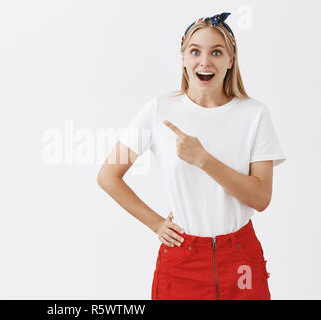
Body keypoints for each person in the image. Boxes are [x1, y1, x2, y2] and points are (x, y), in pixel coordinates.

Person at [96, 12, 286, 300]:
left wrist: (203, 159)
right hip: (181, 261)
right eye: (195, 51)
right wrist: (157, 224)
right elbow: (108, 176)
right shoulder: (158, 110)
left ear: (230, 60)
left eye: (216, 52)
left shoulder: (255, 115)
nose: (205, 61)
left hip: (240, 260)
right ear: (183, 58)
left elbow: (260, 198)